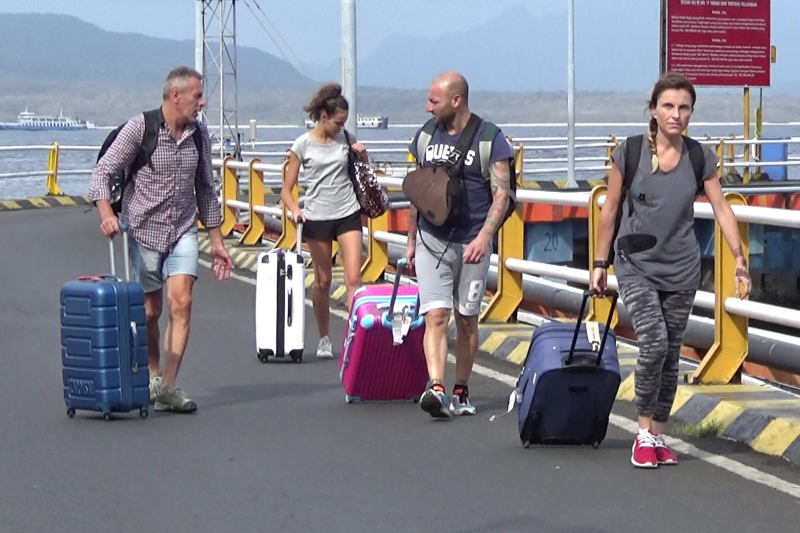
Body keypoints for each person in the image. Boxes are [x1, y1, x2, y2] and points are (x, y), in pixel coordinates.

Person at [590, 72, 751, 468]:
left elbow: (722, 209)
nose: (676, 114)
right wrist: (598, 263)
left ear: (691, 112)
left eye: (683, 107)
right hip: (636, 266)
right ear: (653, 110)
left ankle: (659, 434)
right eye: (668, 106)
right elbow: (610, 210)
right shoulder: (629, 153)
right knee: (654, 344)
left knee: (671, 355)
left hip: (682, 270)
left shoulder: (698, 157)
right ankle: (643, 433)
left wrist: (740, 261)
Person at [88, 66, 234, 414]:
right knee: (150, 312)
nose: (203, 103)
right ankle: (153, 374)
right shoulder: (140, 128)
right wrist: (107, 214)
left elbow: (205, 188)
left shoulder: (199, 134)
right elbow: (102, 173)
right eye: (198, 96)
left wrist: (217, 241)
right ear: (176, 96)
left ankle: (168, 387)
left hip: (183, 229)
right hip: (144, 230)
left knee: (182, 302)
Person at [405, 72, 514, 418]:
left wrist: (484, 237)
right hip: (431, 238)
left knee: (466, 319)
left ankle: (461, 388)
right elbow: (418, 191)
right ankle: (436, 387)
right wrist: (411, 239)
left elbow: (502, 195)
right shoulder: (426, 136)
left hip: (471, 243)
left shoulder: (490, 139)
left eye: (433, 101)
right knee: (436, 315)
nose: (428, 107)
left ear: (456, 100)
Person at [281, 82, 369, 359]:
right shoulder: (302, 144)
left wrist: (363, 156)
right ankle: (324, 338)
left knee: (353, 278)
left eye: (344, 123)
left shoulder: (346, 139)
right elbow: (286, 189)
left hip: (347, 212)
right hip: (317, 216)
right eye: (338, 122)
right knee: (323, 281)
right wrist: (295, 210)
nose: (341, 127)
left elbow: (364, 173)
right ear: (323, 116)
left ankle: (355, 338)